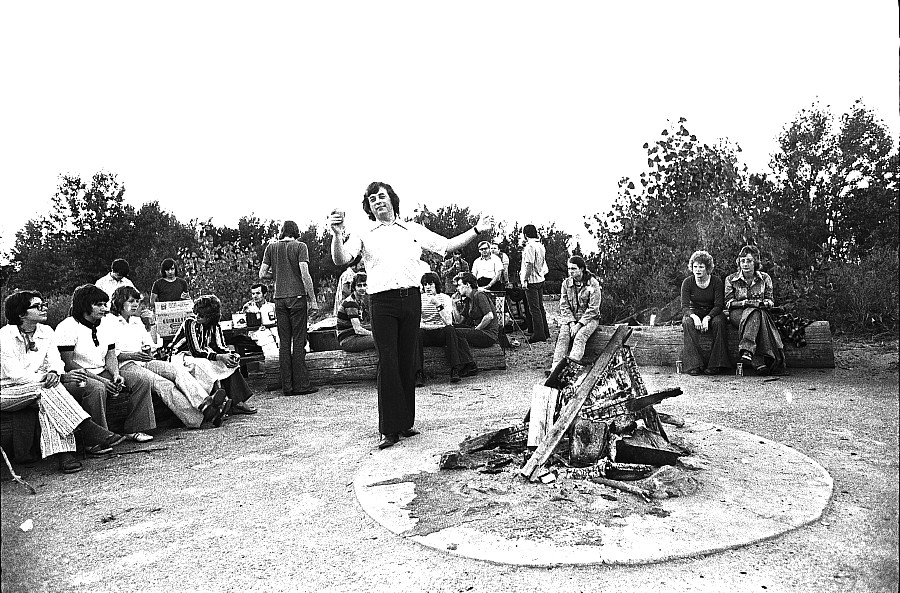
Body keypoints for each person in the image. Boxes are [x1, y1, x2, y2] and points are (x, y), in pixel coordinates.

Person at [329, 181, 492, 450]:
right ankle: (388, 429)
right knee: (388, 360)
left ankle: (405, 423)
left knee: (408, 360)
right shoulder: (364, 232)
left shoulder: (412, 229)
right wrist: (336, 234)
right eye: (372, 199)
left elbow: (448, 245)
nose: (377, 202)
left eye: (381, 197)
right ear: (369, 207)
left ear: (392, 200)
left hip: (411, 299)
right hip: (382, 302)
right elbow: (341, 258)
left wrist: (476, 230)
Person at [1, 291, 127, 473]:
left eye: (43, 304)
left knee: (48, 396)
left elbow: (56, 361)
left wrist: (54, 372)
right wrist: (49, 377)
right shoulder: (4, 337)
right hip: (7, 390)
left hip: (38, 389)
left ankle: (65, 455)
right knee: (49, 389)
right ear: (21, 314)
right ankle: (87, 427)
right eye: (37, 306)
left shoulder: (46, 331)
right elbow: (15, 374)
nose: (44, 308)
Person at [109, 286, 225, 428]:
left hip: (144, 362)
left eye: (137, 302)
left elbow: (150, 345)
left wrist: (151, 326)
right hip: (125, 365)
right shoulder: (109, 322)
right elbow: (111, 354)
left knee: (177, 371)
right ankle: (197, 419)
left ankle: (205, 404)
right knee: (163, 384)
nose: (135, 305)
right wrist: (134, 355)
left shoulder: (136, 321)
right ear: (120, 302)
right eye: (131, 301)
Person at [55, 284, 156, 443]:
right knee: (98, 388)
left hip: (102, 371)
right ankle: (98, 440)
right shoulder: (68, 327)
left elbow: (110, 355)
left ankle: (134, 428)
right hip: (77, 376)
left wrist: (116, 374)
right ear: (85, 305)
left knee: (141, 380)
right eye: (99, 304)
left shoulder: (104, 325)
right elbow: (68, 363)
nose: (104, 308)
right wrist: (103, 380)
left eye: (105, 304)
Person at [170, 295, 257, 416]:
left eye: (202, 316)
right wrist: (220, 357)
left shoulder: (215, 325)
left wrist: (230, 355)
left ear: (210, 317)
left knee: (228, 363)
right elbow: (195, 351)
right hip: (181, 355)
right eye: (197, 313)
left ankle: (238, 403)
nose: (198, 317)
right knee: (204, 364)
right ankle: (217, 404)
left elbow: (220, 347)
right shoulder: (190, 322)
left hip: (203, 354)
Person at [259, 220, 319, 397]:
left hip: (279, 299)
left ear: (282, 232)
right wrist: (313, 299)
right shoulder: (300, 246)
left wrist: (277, 275)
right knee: (299, 341)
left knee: (284, 343)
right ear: (296, 231)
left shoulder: (271, 247)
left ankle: (287, 386)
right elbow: (304, 273)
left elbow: (262, 274)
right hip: (297, 297)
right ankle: (301, 384)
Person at [725, 245, 785, 375]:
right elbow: (729, 303)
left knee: (756, 314)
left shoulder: (765, 278)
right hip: (738, 314)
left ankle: (752, 357)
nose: (745, 264)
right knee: (754, 313)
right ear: (739, 262)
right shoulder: (731, 279)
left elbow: (770, 299)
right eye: (743, 261)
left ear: (755, 262)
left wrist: (766, 303)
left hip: (760, 313)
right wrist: (745, 303)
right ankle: (756, 355)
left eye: (749, 261)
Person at [419, 272, 477, 383]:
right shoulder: (420, 299)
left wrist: (438, 305)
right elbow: (418, 322)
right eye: (425, 284)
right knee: (416, 332)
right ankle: (418, 373)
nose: (427, 287)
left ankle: (455, 369)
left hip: (440, 333)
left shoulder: (445, 298)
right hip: (425, 332)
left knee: (450, 330)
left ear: (436, 285)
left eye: (430, 284)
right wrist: (430, 326)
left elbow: (448, 322)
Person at [681, 250, 731, 376]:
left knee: (719, 322)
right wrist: (694, 317)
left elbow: (719, 305)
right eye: (695, 267)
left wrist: (708, 318)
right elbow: (685, 306)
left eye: (701, 267)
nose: (698, 270)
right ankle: (694, 365)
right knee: (687, 322)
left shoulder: (716, 282)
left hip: (713, 312)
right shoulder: (687, 282)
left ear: (707, 268)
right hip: (695, 312)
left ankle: (716, 364)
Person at [551, 256, 602, 371]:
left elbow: (593, 308)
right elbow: (564, 306)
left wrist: (579, 325)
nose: (571, 272)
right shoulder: (566, 284)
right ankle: (555, 368)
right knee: (563, 336)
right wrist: (572, 323)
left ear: (582, 269)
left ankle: (570, 368)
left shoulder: (592, 284)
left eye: (574, 269)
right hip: (571, 319)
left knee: (580, 337)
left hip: (590, 319)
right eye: (569, 269)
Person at [452, 272, 499, 348]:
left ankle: (465, 358)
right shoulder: (468, 299)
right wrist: (453, 305)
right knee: (451, 327)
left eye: (459, 285)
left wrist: (476, 329)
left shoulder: (479, 295)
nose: (457, 288)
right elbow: (459, 321)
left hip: (488, 335)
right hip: (478, 332)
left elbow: (489, 316)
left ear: (467, 284)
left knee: (457, 332)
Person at [520, 224, 549, 343]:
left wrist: (525, 279)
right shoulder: (540, 245)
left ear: (525, 235)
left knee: (534, 309)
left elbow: (529, 264)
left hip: (531, 281)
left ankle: (538, 334)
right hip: (540, 279)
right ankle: (545, 332)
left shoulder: (530, 247)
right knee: (540, 307)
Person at [335, 272, 375, 352]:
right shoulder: (351, 303)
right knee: (381, 340)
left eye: (365, 285)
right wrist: (374, 334)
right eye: (359, 285)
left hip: (354, 336)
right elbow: (358, 329)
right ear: (354, 287)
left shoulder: (359, 301)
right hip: (348, 340)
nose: (363, 288)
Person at [242, 283, 279, 349]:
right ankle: (272, 357)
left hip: (273, 332)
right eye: (253, 294)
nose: (255, 296)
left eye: (258, 293)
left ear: (264, 294)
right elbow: (242, 323)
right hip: (256, 334)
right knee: (265, 336)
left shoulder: (272, 307)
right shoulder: (249, 308)